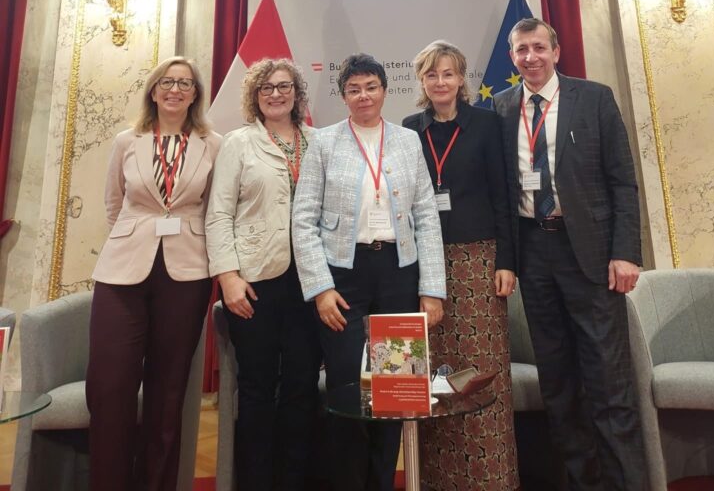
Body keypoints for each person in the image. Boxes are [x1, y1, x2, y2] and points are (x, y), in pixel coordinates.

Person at [493, 18, 645, 491]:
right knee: (557, 382)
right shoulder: (500, 107)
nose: (531, 57)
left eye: (539, 47)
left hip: (592, 254)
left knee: (608, 380)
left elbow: (622, 180)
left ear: (556, 51)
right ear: (512, 56)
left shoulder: (594, 98)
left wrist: (625, 252)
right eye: (522, 50)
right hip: (533, 250)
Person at [292, 53, 446, 491]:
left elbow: (426, 215)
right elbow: (303, 219)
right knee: (346, 388)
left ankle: (381, 481)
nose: (364, 96)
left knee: (396, 388)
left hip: (397, 273)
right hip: (344, 276)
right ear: (343, 96)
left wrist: (432, 288)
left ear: (384, 90)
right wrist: (320, 289)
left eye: (371, 87)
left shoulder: (407, 140)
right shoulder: (324, 142)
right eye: (354, 89)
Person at [86, 56, 220, 491]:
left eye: (185, 83)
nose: (175, 89)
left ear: (195, 94)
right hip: (123, 269)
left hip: (187, 272)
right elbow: (114, 203)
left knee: (167, 393)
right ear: (153, 90)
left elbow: (213, 208)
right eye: (167, 82)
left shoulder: (213, 144)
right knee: (110, 387)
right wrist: (135, 236)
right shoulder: (128, 140)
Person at [402, 40, 519, 491]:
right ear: (422, 80)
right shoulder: (409, 130)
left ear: (461, 78)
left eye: (448, 73)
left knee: (482, 367)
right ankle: (439, 479)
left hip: (478, 260)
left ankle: (491, 478)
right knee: (436, 372)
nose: (440, 82)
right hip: (426, 263)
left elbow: (503, 196)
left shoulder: (486, 124)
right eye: (431, 74)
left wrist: (506, 260)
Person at [206, 57, 321, 491]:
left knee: (302, 387)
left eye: (284, 86)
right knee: (256, 389)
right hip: (254, 282)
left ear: (297, 92)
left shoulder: (318, 141)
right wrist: (228, 278)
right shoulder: (238, 143)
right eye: (266, 88)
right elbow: (218, 215)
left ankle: (294, 481)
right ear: (255, 96)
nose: (276, 94)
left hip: (310, 282)